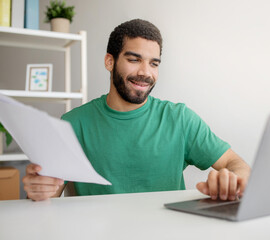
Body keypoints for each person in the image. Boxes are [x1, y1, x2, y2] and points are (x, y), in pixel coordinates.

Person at [23, 19, 251, 201]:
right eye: (134, 60)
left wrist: (233, 179)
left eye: (154, 63)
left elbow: (238, 164)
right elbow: (50, 192)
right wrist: (39, 189)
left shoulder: (179, 119)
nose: (146, 73)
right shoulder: (73, 124)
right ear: (109, 62)